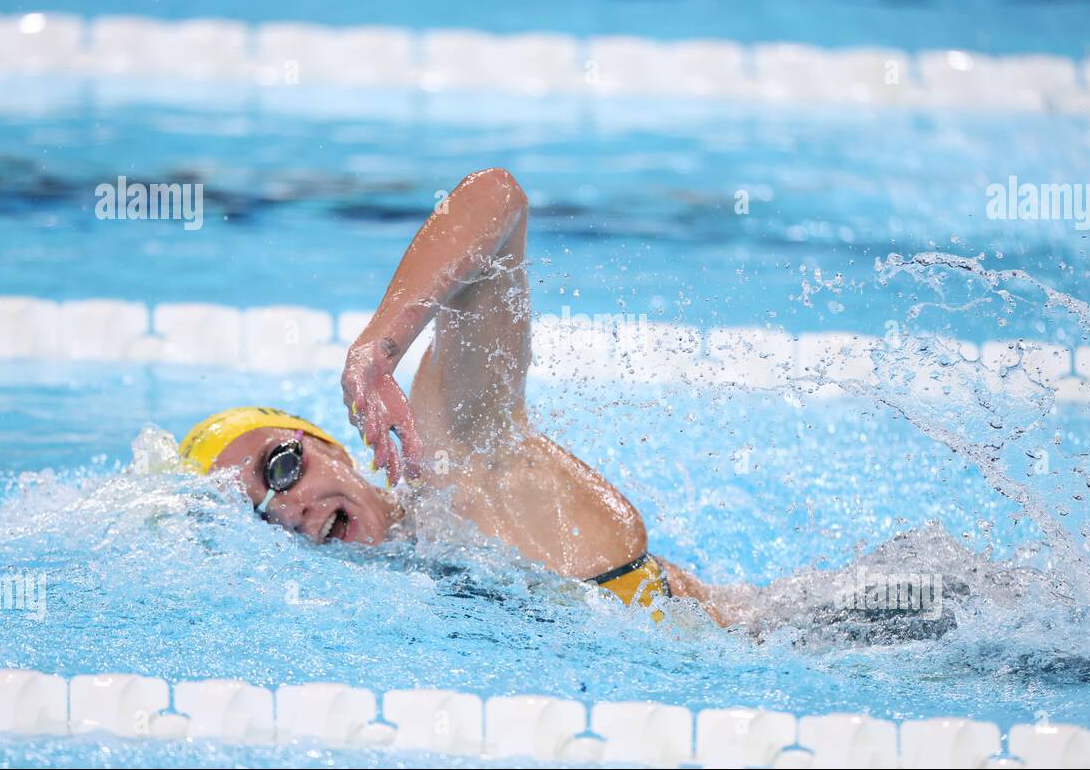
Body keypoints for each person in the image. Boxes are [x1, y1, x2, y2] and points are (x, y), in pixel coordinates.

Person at [179, 169, 722, 623]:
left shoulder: (458, 462)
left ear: (331, 448)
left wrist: (379, 348)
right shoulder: (396, 590)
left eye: (279, 468)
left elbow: (496, 197)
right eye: (258, 515)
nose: (290, 510)